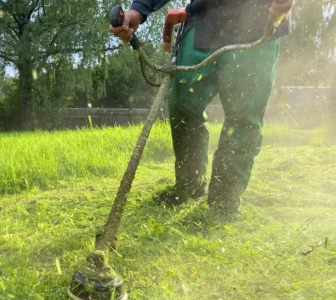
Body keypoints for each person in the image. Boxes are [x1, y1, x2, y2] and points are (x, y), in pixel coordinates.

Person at [110, 0, 294, 218]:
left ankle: (224, 202)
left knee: (244, 117)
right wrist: (139, 9)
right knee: (182, 104)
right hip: (204, 21)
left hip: (259, 19)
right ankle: (190, 183)